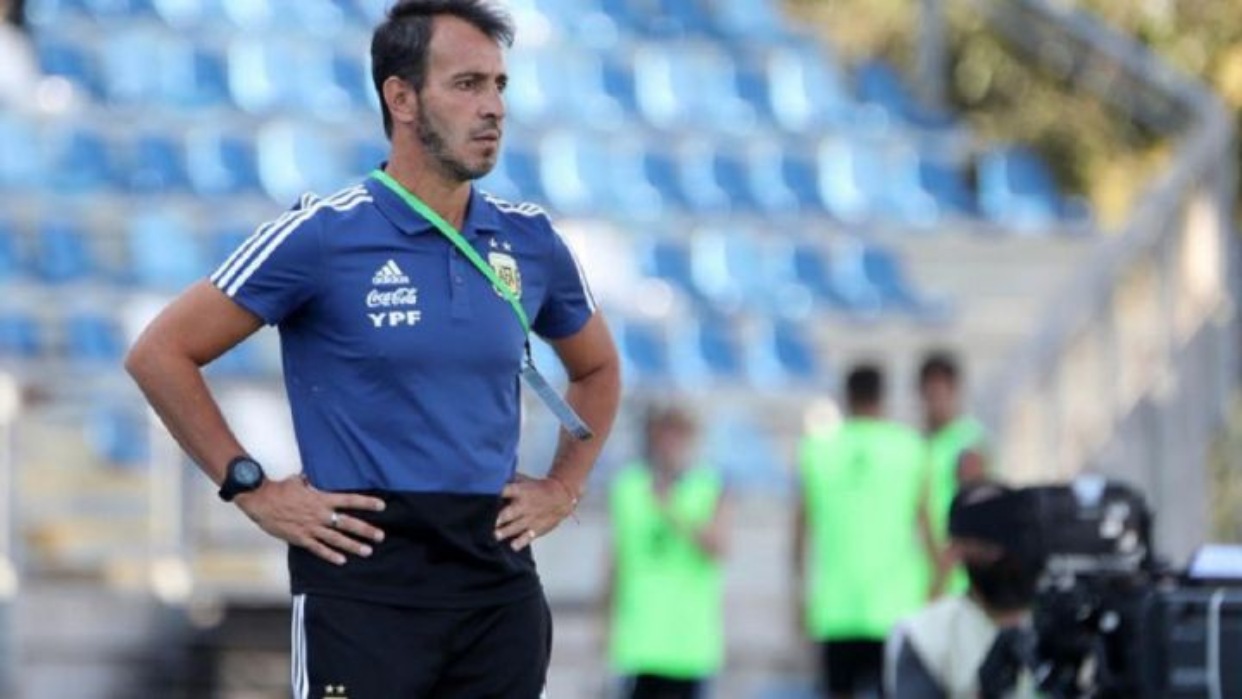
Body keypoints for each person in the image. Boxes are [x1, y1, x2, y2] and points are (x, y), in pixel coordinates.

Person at [124, 2, 621, 697]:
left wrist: (563, 487)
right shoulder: (323, 235)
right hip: (361, 589)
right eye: (467, 84)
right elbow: (160, 352)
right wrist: (250, 486)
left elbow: (597, 368)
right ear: (402, 98)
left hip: (496, 590)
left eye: (499, 85)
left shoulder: (530, 240)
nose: (494, 107)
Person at [794, 364, 929, 699]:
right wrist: (934, 592)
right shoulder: (909, 447)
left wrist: (800, 596)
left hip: (836, 606)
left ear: (847, 397)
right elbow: (927, 529)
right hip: (895, 604)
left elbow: (800, 534)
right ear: (883, 397)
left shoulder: (817, 450)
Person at [605, 401, 729, 699]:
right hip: (639, 637)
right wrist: (605, 619)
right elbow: (616, 558)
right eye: (665, 434)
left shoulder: (709, 487)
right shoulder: (628, 486)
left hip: (688, 640)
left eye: (679, 435)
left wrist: (671, 509)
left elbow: (717, 547)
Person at [887, 483, 1043, 699]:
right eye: (988, 547)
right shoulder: (926, 636)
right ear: (956, 550)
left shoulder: (1062, 622)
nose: (1003, 555)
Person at [916, 351, 988, 598]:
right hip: (925, 568)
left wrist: (948, 562)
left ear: (955, 392)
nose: (937, 403)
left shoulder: (967, 441)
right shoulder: (918, 444)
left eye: (942, 393)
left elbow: (978, 506)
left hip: (955, 572)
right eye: (930, 394)